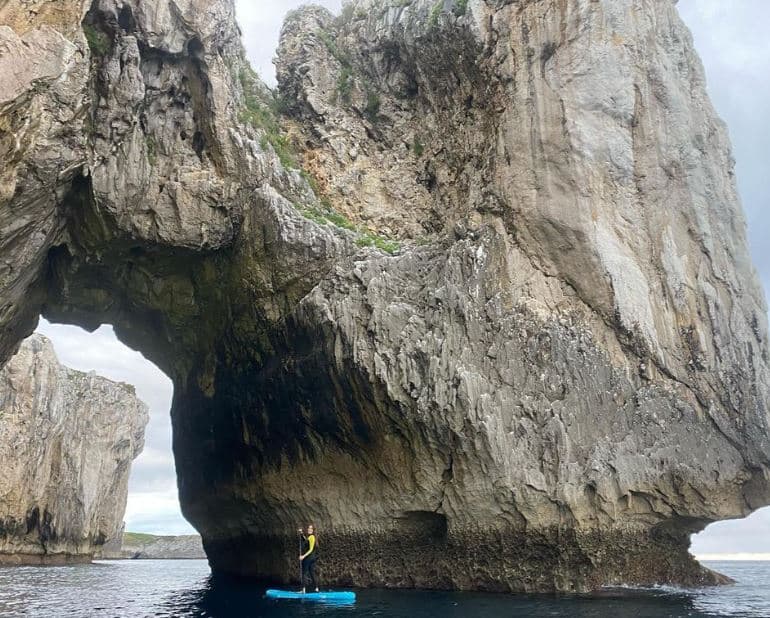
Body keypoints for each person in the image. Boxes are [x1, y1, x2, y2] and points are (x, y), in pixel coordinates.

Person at [298, 523, 319, 593]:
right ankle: (316, 588)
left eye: (311, 528)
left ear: (313, 530)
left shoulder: (312, 537)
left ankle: (303, 590)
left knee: (304, 573)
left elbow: (311, 549)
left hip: (309, 557)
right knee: (312, 572)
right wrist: (301, 533)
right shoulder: (309, 537)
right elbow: (305, 540)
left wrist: (303, 556)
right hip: (312, 558)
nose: (309, 529)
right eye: (309, 528)